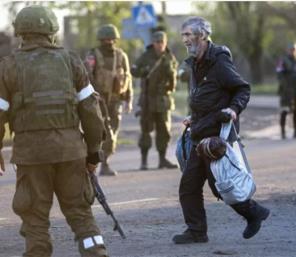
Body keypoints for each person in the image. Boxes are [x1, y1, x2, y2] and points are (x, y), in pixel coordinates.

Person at [0, 5, 108, 257]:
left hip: (31, 155)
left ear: (21, 33)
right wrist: (93, 154)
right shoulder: (71, 61)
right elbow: (91, 112)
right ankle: (96, 252)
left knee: (35, 218)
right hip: (71, 152)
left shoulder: (7, 66)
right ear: (52, 31)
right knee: (81, 213)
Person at [172, 16, 269, 244]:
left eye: (188, 35)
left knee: (221, 186)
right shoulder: (195, 62)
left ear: (202, 35)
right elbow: (204, 97)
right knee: (189, 187)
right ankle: (197, 231)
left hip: (216, 136)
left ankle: (254, 213)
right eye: (183, 35)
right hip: (199, 131)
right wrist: (193, 117)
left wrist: (234, 109)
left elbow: (242, 89)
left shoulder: (220, 62)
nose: (184, 40)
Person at [85, 24, 133, 176]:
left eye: (112, 38)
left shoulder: (121, 55)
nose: (109, 42)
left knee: (114, 131)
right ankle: (97, 163)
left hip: (115, 100)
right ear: (101, 39)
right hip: (99, 101)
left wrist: (129, 99)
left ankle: (105, 161)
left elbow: (128, 77)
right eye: (106, 39)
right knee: (101, 132)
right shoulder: (93, 55)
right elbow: (86, 76)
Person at [131, 31, 178, 170]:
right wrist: (143, 71)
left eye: (162, 42)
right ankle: (144, 161)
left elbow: (174, 75)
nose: (159, 45)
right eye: (157, 43)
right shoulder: (146, 56)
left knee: (164, 131)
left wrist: (171, 71)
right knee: (146, 130)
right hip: (148, 100)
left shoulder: (169, 57)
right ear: (153, 43)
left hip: (163, 99)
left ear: (165, 43)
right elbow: (134, 70)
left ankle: (162, 160)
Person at [276, 42, 296, 139]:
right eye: (291, 49)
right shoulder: (283, 60)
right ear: (287, 50)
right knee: (284, 110)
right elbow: (279, 73)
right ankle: (283, 133)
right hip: (286, 89)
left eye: (294, 49)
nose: (293, 51)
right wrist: (284, 85)